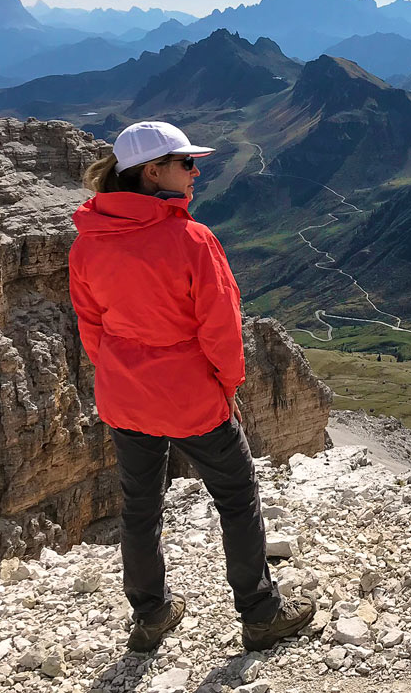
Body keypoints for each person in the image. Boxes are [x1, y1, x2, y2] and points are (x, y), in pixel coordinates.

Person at [68, 120, 315, 652]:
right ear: (152, 172)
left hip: (124, 398)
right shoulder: (192, 240)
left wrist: (120, 374)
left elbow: (92, 329)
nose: (196, 171)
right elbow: (222, 329)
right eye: (186, 163)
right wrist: (228, 387)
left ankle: (151, 616)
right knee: (237, 497)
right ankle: (260, 613)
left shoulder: (87, 243)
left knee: (139, 507)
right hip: (191, 399)